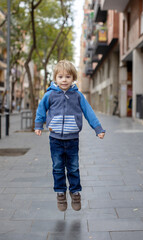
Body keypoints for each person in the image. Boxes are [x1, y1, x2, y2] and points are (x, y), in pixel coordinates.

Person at [35, 60, 105, 212]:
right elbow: (41, 110)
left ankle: (75, 192)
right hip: (55, 140)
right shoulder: (50, 95)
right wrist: (38, 125)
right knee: (58, 167)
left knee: (73, 167)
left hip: (72, 139)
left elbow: (88, 112)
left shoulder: (78, 95)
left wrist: (97, 128)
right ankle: (60, 193)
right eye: (60, 77)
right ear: (55, 78)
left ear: (73, 78)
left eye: (68, 76)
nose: (64, 80)